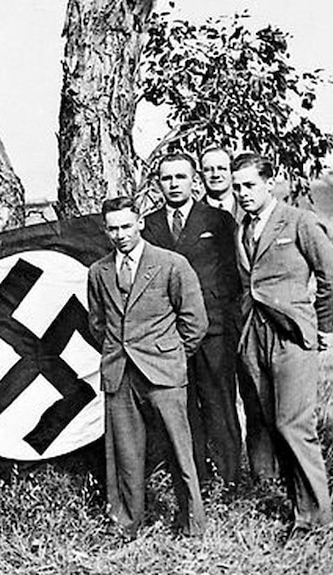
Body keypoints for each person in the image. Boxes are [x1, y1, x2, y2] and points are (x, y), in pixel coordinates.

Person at [87, 197, 208, 538]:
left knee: (179, 449)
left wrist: (169, 355)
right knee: (123, 454)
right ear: (106, 230)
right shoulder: (99, 271)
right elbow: (97, 322)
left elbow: (195, 322)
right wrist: (118, 351)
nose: (120, 235)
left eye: (126, 226)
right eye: (113, 228)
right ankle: (126, 524)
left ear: (140, 223)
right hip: (119, 372)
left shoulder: (171, 264)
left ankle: (192, 524)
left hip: (163, 371)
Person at [232, 152, 333, 539]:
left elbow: (328, 276)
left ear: (269, 182)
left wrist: (323, 327)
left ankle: (316, 521)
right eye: (237, 186)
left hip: (292, 335)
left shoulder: (299, 221)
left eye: (249, 185)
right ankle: (299, 510)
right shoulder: (243, 228)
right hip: (253, 335)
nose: (242, 193)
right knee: (273, 424)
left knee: (295, 424)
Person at [142, 153, 242, 486]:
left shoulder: (217, 220)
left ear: (193, 179)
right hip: (170, 334)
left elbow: (233, 277)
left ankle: (229, 480)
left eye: (180, 177)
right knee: (183, 408)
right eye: (167, 178)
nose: (174, 184)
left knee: (220, 405)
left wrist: (230, 325)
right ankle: (193, 479)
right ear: (158, 182)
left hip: (213, 330)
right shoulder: (149, 225)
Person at [200, 145, 243, 221]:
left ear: (231, 172)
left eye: (221, 168)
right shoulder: (191, 213)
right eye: (208, 170)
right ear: (201, 175)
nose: (215, 174)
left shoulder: (249, 208)